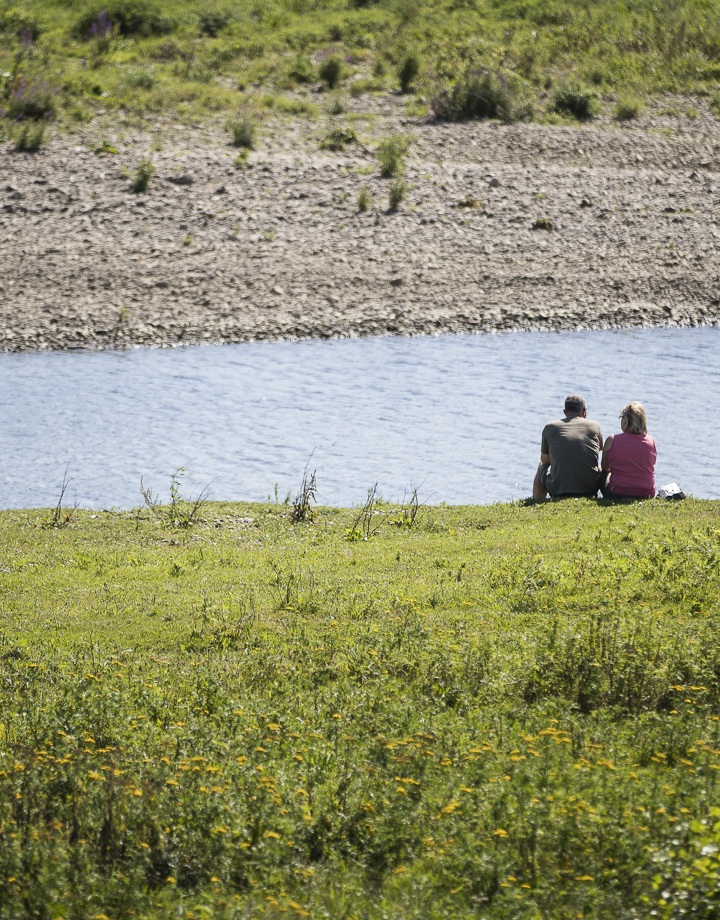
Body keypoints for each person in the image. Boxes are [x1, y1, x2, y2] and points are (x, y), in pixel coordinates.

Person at [533, 395, 604, 500]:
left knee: (541, 466)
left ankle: (537, 500)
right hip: (590, 488)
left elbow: (545, 460)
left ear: (564, 411)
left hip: (557, 489)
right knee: (600, 467)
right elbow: (599, 449)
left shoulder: (550, 427)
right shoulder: (595, 426)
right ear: (584, 411)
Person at [601, 401, 656, 499]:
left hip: (617, 492)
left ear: (627, 421)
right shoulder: (651, 442)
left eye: (622, 417)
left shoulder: (612, 440)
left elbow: (605, 467)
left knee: (602, 473)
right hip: (646, 493)